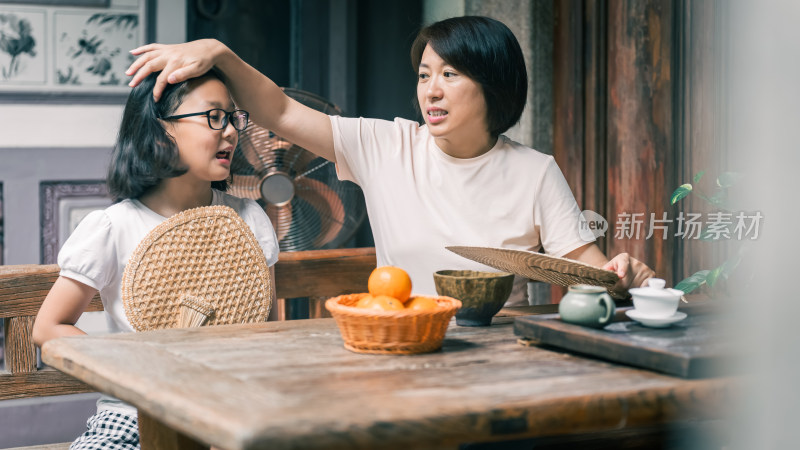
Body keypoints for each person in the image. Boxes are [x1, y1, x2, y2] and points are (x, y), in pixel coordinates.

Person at [126, 16, 654, 305]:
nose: (431, 90)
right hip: (400, 344)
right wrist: (220, 52)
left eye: (450, 74)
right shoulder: (386, 145)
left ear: (493, 85)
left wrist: (622, 272)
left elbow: (586, 269)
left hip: (501, 360)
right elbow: (282, 111)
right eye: (424, 74)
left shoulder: (535, 171)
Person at [32, 69, 280, 449]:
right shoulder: (113, 227)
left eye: (233, 117)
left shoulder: (248, 220)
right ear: (162, 130)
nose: (231, 130)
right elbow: (48, 328)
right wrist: (138, 367)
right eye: (214, 116)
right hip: (132, 416)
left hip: (234, 415)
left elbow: (265, 333)